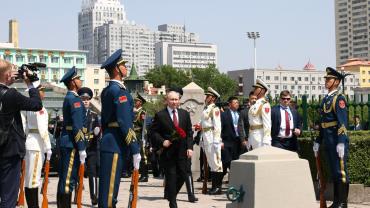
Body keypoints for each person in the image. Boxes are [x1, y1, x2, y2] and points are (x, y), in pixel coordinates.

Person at [99, 49, 141, 208]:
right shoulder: (119, 91)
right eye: (123, 64)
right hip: (116, 143)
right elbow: (125, 122)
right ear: (117, 68)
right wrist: (135, 148)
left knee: (108, 191)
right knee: (110, 193)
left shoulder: (107, 90)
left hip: (110, 140)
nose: (125, 67)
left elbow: (105, 121)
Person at [0, 59, 42, 207]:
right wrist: (31, 83)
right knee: (9, 197)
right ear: (6, 76)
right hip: (9, 151)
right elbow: (37, 104)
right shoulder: (11, 94)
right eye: (11, 72)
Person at [150, 88, 194, 208]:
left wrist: (190, 147)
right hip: (168, 153)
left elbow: (189, 132)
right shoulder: (160, 115)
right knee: (171, 177)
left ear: (179, 100)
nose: (174, 102)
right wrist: (162, 141)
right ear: (167, 100)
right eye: (172, 99)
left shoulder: (184, 114)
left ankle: (171, 194)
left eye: (176, 99)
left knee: (183, 175)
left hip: (182, 152)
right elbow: (153, 133)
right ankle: (173, 203)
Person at [313, 67, 349, 208]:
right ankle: (336, 201)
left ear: (337, 81)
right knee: (334, 171)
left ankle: (342, 202)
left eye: (329, 79)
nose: (326, 81)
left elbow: (342, 123)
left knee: (341, 171)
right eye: (326, 79)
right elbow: (323, 123)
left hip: (336, 140)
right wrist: (318, 141)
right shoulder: (325, 99)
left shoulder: (339, 99)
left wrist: (341, 142)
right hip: (328, 141)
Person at [57, 66, 87, 207]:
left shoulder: (70, 98)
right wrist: (81, 147)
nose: (80, 80)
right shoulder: (74, 100)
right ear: (73, 82)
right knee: (69, 180)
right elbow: (77, 126)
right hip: (71, 144)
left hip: (67, 141)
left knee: (65, 178)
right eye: (78, 78)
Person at [22, 84, 52, 208]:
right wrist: (48, 146)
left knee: (30, 178)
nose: (44, 93)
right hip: (36, 145)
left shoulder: (26, 106)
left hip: (30, 142)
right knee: (34, 180)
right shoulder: (39, 108)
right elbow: (42, 129)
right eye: (42, 91)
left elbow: (24, 126)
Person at [195, 87, 223, 195]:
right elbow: (203, 123)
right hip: (206, 136)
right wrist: (198, 126)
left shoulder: (214, 109)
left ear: (213, 98)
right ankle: (214, 186)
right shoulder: (206, 109)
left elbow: (217, 126)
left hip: (212, 137)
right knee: (211, 163)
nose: (206, 97)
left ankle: (217, 187)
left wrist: (216, 141)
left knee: (216, 162)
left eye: (208, 96)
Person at [77, 87, 101, 205]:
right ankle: (78, 194)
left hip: (91, 148)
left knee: (92, 173)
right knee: (77, 173)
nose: (86, 101)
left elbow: (98, 130)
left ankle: (94, 196)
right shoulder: (76, 113)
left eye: (87, 99)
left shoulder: (94, 115)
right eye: (83, 99)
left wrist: (98, 131)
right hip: (79, 147)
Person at [248, 78, 272, 149]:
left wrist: (266, 139)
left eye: (256, 88)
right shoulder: (255, 104)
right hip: (253, 135)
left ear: (263, 90)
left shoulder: (264, 104)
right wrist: (249, 137)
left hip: (260, 137)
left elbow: (267, 123)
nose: (254, 90)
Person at [221, 96, 241, 181]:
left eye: (238, 102)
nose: (237, 104)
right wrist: (220, 140)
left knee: (235, 164)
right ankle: (218, 184)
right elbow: (220, 128)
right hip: (227, 143)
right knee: (225, 163)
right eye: (235, 102)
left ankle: (234, 182)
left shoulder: (240, 114)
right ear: (230, 104)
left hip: (237, 143)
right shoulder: (224, 115)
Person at [133, 93, 149, 182]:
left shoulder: (142, 112)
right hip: (135, 135)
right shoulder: (135, 111)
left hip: (140, 136)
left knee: (143, 156)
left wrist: (144, 138)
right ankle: (138, 173)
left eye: (137, 101)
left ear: (141, 102)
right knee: (137, 155)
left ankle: (145, 175)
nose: (135, 102)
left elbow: (143, 126)